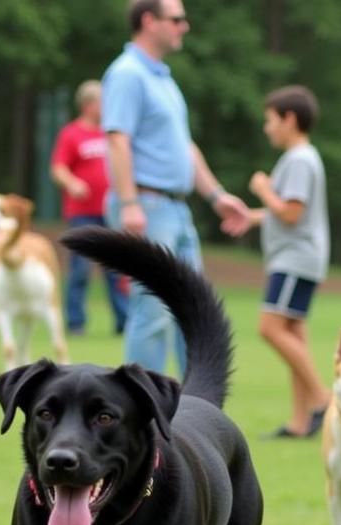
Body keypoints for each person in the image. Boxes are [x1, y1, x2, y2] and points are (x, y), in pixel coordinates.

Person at [102, 0, 250, 374]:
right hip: (147, 205)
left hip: (175, 209)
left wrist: (217, 196)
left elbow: (185, 148)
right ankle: (142, 418)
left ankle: (196, 411)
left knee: (194, 312)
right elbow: (117, 140)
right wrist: (130, 204)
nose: (185, 26)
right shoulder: (127, 74)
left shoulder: (162, 78)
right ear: (149, 21)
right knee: (153, 312)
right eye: (177, 19)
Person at [246, 85, 331, 439]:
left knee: (270, 328)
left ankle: (325, 402)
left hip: (295, 259)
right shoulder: (301, 158)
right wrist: (250, 217)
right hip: (298, 257)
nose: (267, 128)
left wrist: (263, 187)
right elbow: (283, 214)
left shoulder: (299, 159)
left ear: (289, 119)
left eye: (270, 120)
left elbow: (291, 212)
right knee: (294, 334)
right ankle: (300, 423)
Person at [50, 80, 128, 336]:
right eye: (101, 102)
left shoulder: (111, 132)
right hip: (82, 212)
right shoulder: (71, 134)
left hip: (112, 211)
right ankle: (75, 323)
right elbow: (58, 167)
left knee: (117, 268)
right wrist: (72, 183)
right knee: (80, 269)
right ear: (87, 104)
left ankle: (123, 321)